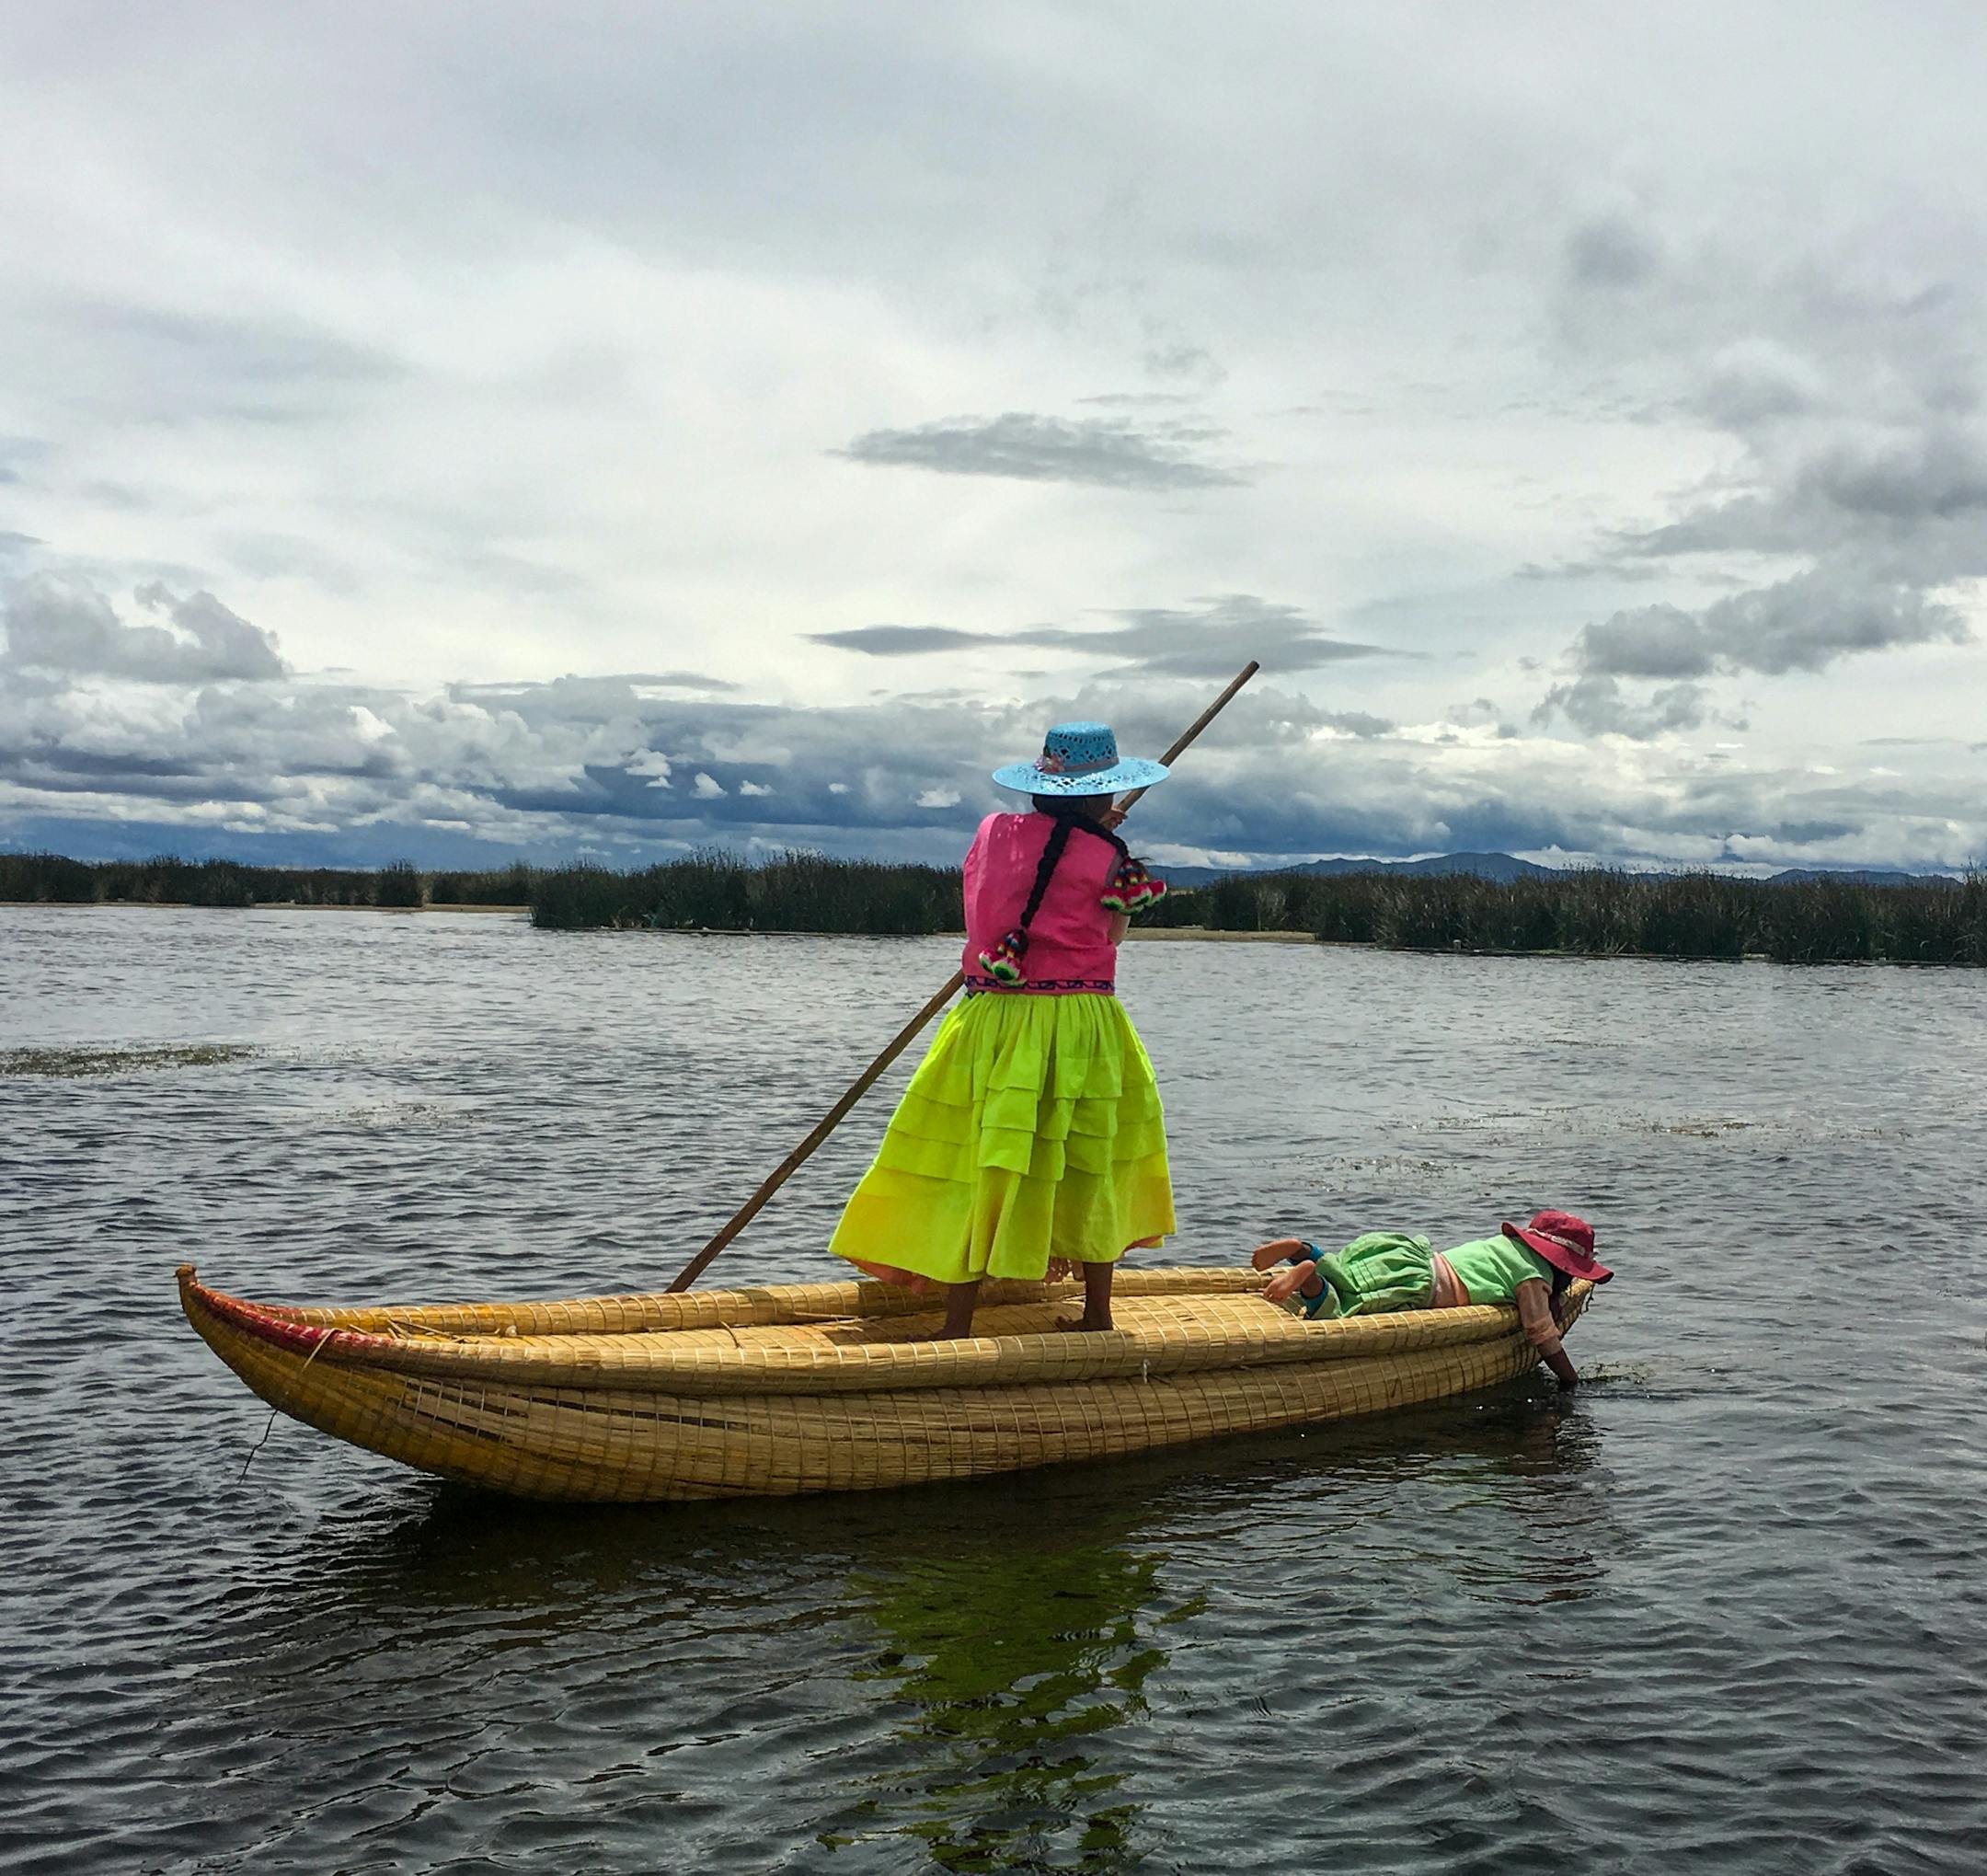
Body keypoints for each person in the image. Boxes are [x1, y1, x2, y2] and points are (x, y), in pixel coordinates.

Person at [828, 721, 1177, 1338]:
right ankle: (1097, 1313)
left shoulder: (991, 833)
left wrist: (1085, 837)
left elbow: (993, 895)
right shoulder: (1112, 860)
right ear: (1104, 795)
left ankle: (956, 1322)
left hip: (991, 1015)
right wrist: (1099, 845)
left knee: (976, 1160)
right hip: (1079, 1021)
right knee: (1090, 1159)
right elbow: (1109, 937)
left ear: (1042, 784)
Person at [1248, 1209, 1612, 1387]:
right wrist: (1570, 1380)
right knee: (1341, 1310)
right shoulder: (1533, 1278)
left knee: (1349, 1274)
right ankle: (1307, 1276)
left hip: (1410, 1259)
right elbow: (1541, 1333)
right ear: (1563, 1267)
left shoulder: (1505, 1247)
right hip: (1423, 1290)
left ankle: (1304, 1252)